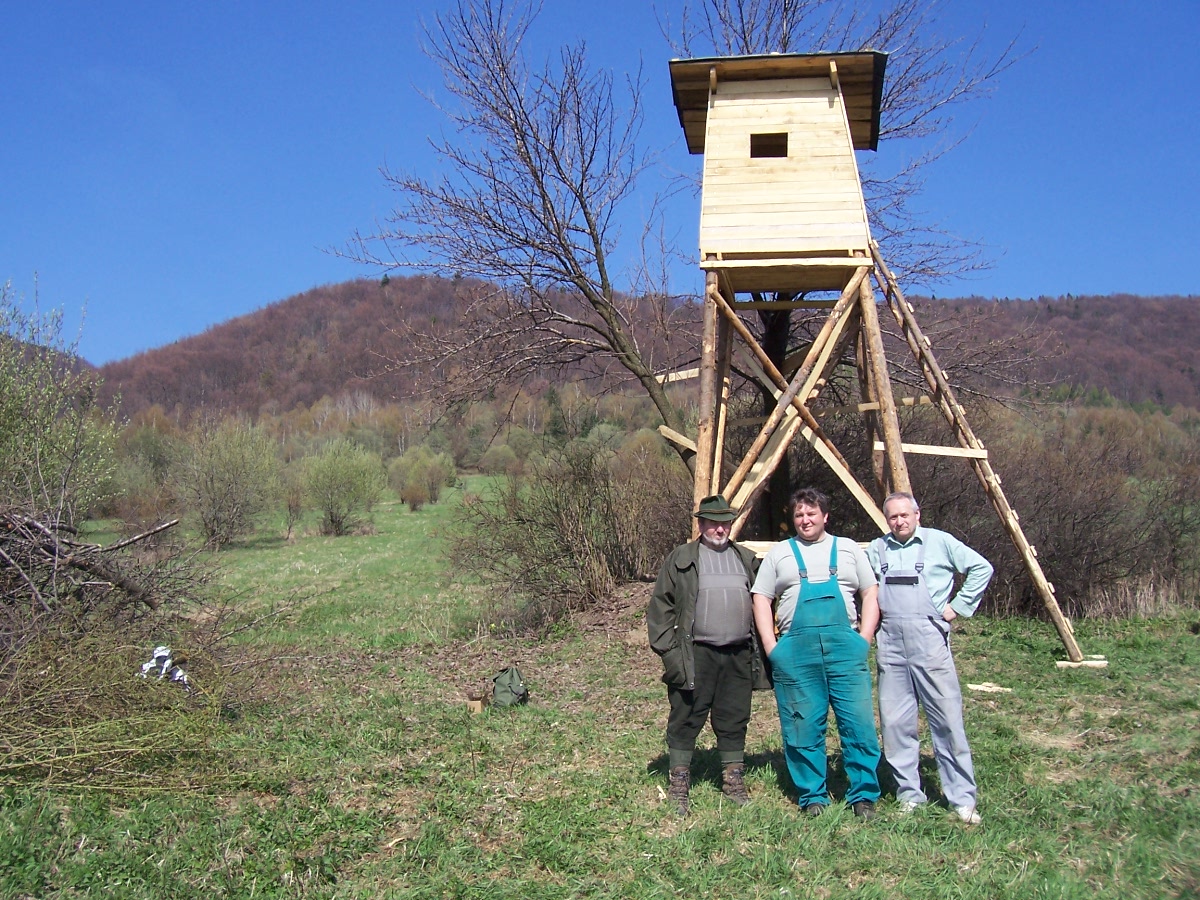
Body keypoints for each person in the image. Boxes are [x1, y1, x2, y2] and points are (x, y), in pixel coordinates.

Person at [751, 487, 882, 819]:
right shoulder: (780, 553)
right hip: (796, 652)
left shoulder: (849, 549)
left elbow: (870, 592)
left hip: (846, 649)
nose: (804, 519)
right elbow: (761, 599)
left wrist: (864, 638)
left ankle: (863, 794)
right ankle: (813, 796)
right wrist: (772, 647)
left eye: (811, 513)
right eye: (798, 514)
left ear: (825, 516)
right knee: (802, 726)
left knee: (859, 724)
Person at [866, 491, 994, 825]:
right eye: (893, 517)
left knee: (947, 721)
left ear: (917, 514)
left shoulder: (940, 542)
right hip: (890, 643)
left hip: (930, 641)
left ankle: (962, 800)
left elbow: (982, 568)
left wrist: (957, 608)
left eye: (905, 515)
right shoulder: (876, 549)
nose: (899, 521)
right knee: (895, 723)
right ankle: (909, 794)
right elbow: (863, 589)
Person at [647, 494, 769, 816]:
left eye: (725, 522)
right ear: (700, 524)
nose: (719, 528)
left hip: (738, 653)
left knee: (734, 717)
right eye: (713, 522)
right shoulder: (682, 558)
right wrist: (670, 654)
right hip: (695, 654)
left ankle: (733, 780)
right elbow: (661, 608)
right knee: (686, 717)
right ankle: (679, 783)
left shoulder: (746, 559)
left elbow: (767, 600)